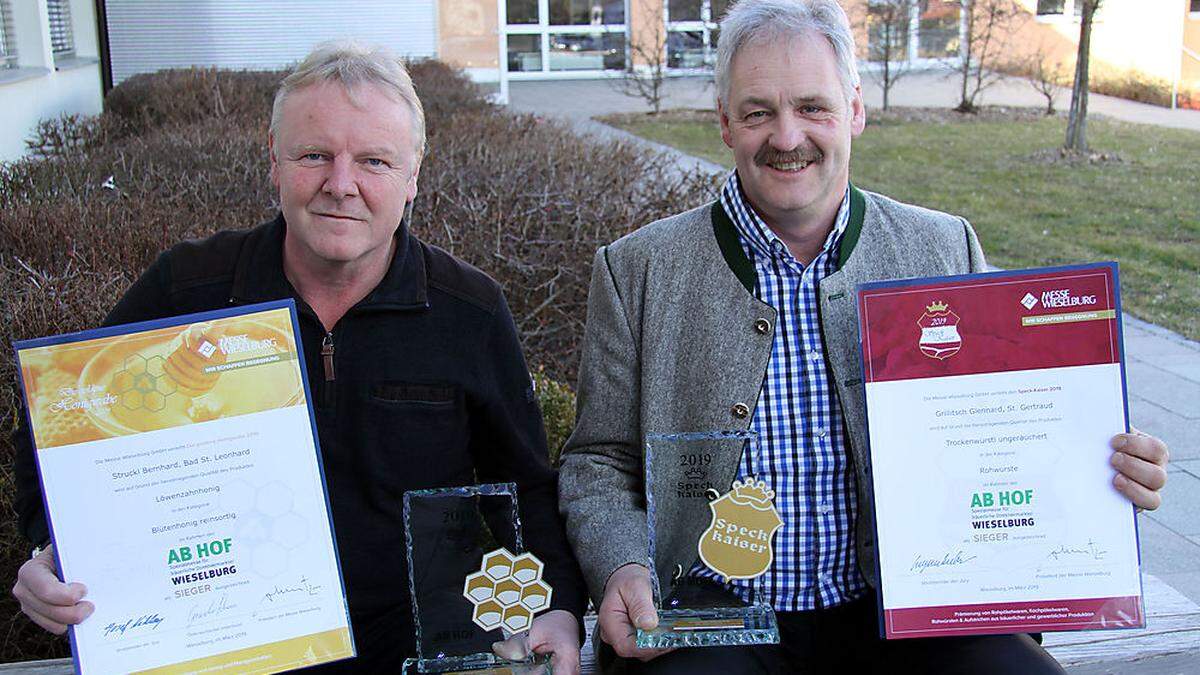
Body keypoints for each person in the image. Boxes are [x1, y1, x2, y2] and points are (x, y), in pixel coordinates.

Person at [557, 1, 1169, 673]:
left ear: (855, 110)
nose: (787, 136)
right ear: (725, 123)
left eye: (813, 107)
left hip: (907, 607)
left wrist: (1097, 465)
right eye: (758, 111)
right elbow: (599, 460)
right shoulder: (639, 269)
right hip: (715, 612)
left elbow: (1008, 437)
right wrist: (621, 563)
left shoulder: (941, 246)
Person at [11, 41, 586, 673]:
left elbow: (525, 485)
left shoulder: (468, 313)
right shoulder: (188, 290)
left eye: (374, 161)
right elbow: (63, 429)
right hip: (210, 646)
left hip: (413, 649)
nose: (342, 185)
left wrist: (555, 603)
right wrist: (49, 551)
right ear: (274, 163)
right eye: (315, 156)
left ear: (413, 175)